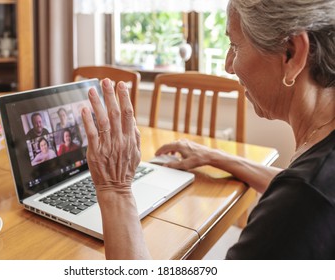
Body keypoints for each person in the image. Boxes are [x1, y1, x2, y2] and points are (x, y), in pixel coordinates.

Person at [81, 0, 335, 260]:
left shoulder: (301, 203)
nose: (228, 64)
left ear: (292, 54)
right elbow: (297, 184)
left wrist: (116, 189)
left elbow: (302, 195)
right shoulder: (314, 173)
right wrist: (217, 157)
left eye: (235, 45)